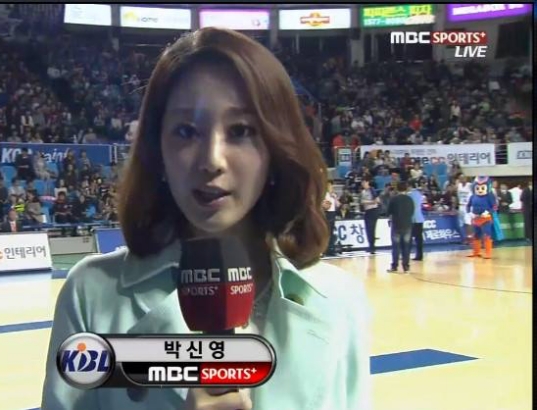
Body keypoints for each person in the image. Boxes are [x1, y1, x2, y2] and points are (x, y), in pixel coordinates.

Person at [42, 28, 370, 410]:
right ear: (157, 149)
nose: (212, 160)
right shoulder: (90, 294)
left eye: (240, 131)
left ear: (276, 149)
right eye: (186, 131)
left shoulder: (340, 301)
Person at [387, 181, 415, 273]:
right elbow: (412, 211)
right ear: (406, 189)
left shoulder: (394, 199)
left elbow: (388, 211)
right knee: (406, 246)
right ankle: (406, 267)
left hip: (396, 224)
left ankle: (394, 266)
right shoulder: (410, 199)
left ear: (397, 189)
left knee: (396, 247)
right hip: (407, 225)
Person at [359, 178, 379, 254]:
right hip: (367, 211)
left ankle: (372, 247)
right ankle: (370, 245)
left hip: (373, 210)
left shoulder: (372, 190)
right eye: (362, 183)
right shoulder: (363, 192)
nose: (363, 184)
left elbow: (377, 200)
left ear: (367, 182)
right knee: (368, 229)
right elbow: (362, 202)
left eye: (364, 182)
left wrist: (368, 202)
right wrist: (370, 202)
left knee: (371, 229)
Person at [408, 181, 425, 261]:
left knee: (409, 238)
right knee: (419, 239)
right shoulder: (419, 194)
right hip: (420, 218)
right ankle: (420, 255)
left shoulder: (410, 195)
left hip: (413, 219)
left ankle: (406, 254)